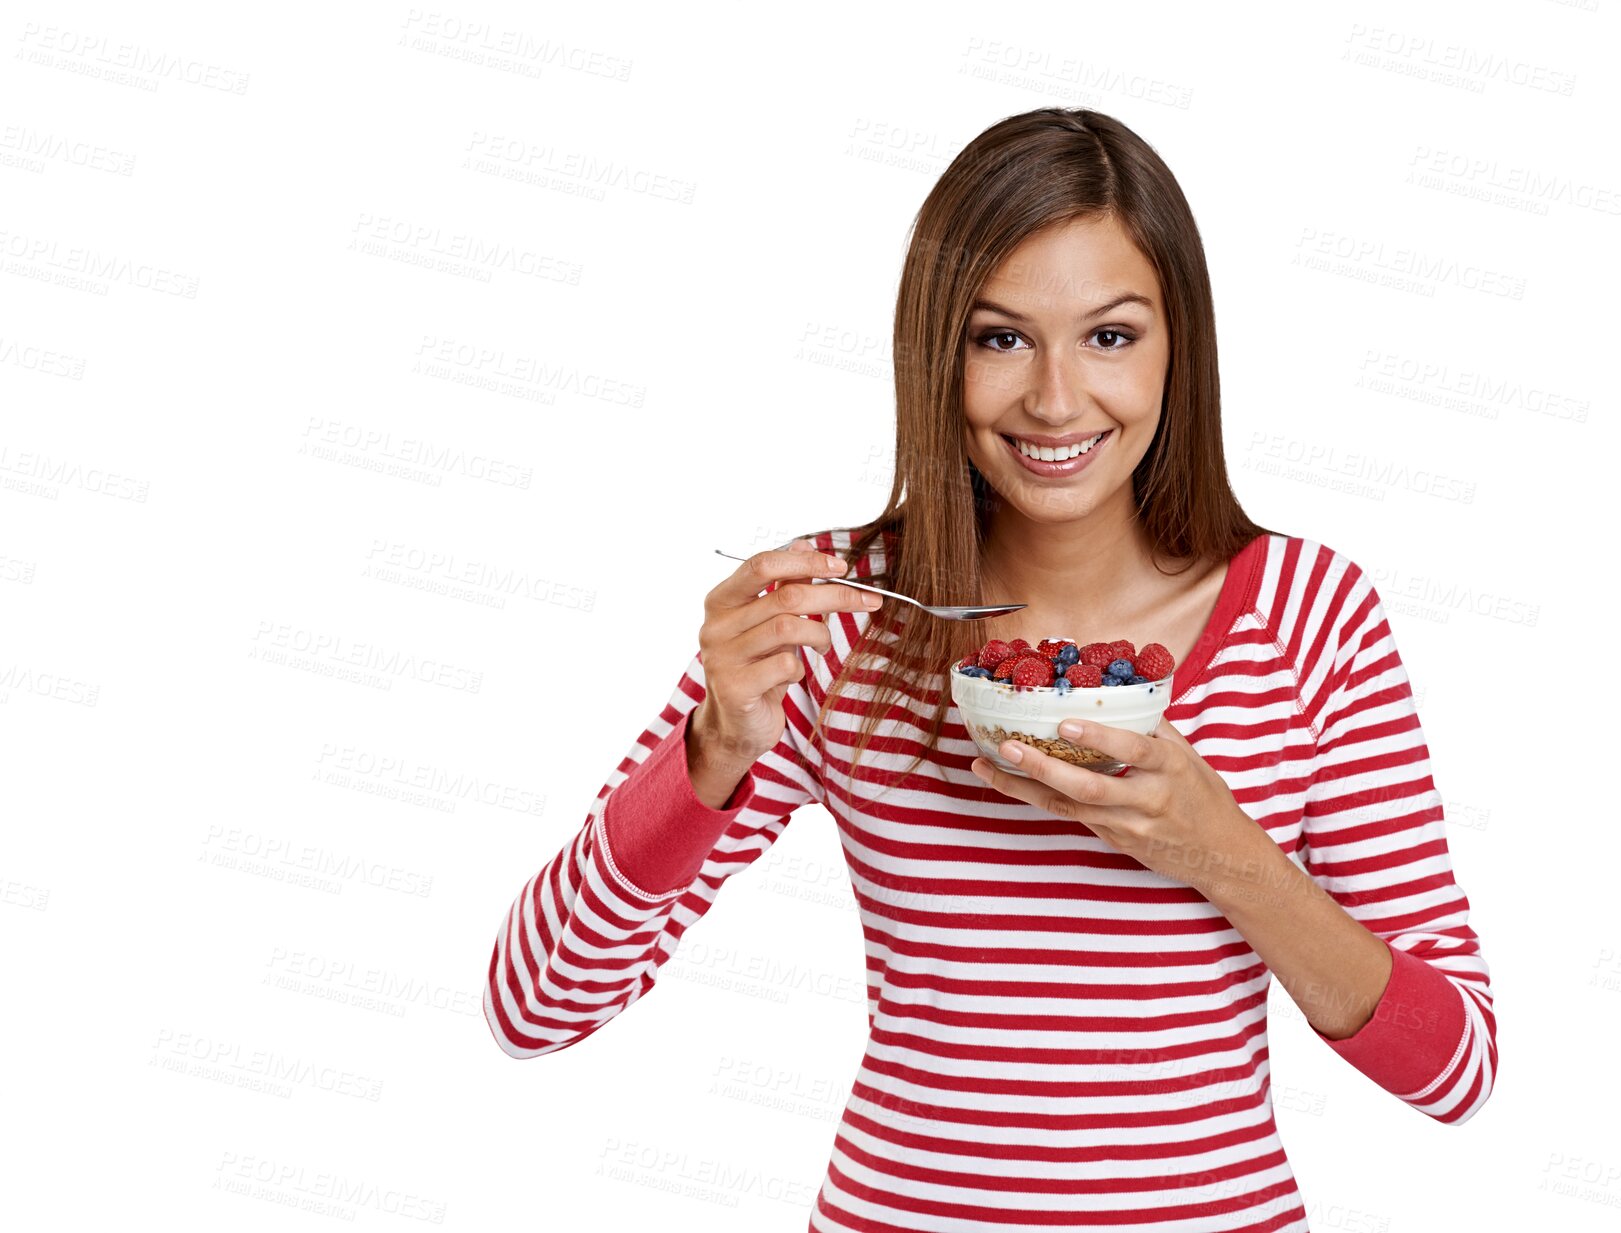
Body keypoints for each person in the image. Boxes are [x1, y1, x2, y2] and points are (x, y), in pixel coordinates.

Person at [482, 107, 1497, 1232]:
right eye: (998, 337)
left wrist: (1221, 853)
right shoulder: (838, 614)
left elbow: (1454, 1069)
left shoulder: (1311, 616)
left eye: (1109, 336)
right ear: (936, 355)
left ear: (1180, 347)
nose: (1055, 400)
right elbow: (533, 1007)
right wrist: (710, 753)